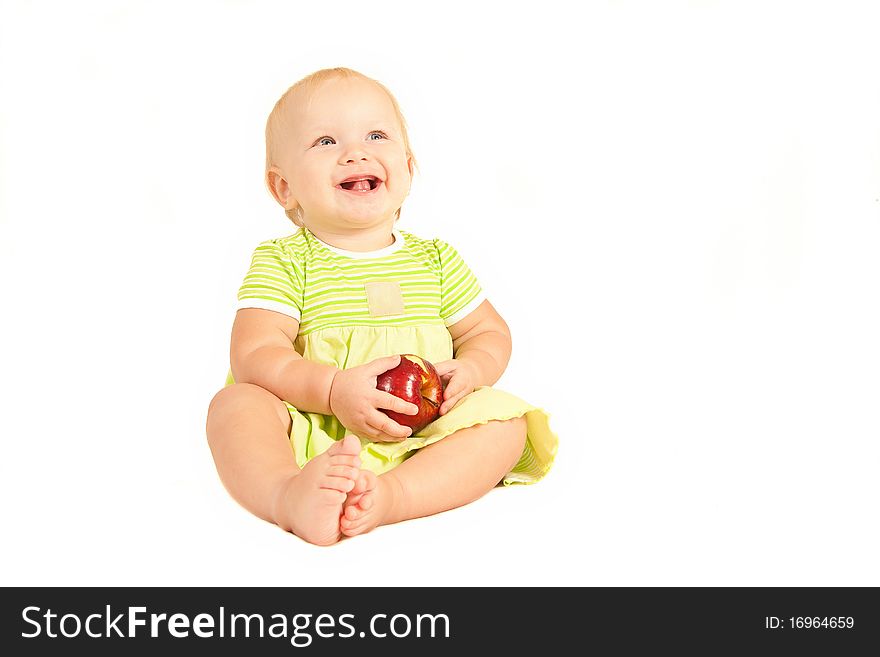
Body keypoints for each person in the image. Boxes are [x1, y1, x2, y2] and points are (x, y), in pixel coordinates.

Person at [206, 67, 558, 545]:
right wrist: (331, 391)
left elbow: (488, 333)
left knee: (507, 422)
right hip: (309, 427)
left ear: (409, 168)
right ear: (283, 187)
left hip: (426, 435)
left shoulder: (436, 259)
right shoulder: (284, 261)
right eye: (325, 142)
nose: (356, 152)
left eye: (376, 135)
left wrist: (472, 371)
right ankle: (286, 492)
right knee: (237, 404)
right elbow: (254, 353)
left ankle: (391, 495)